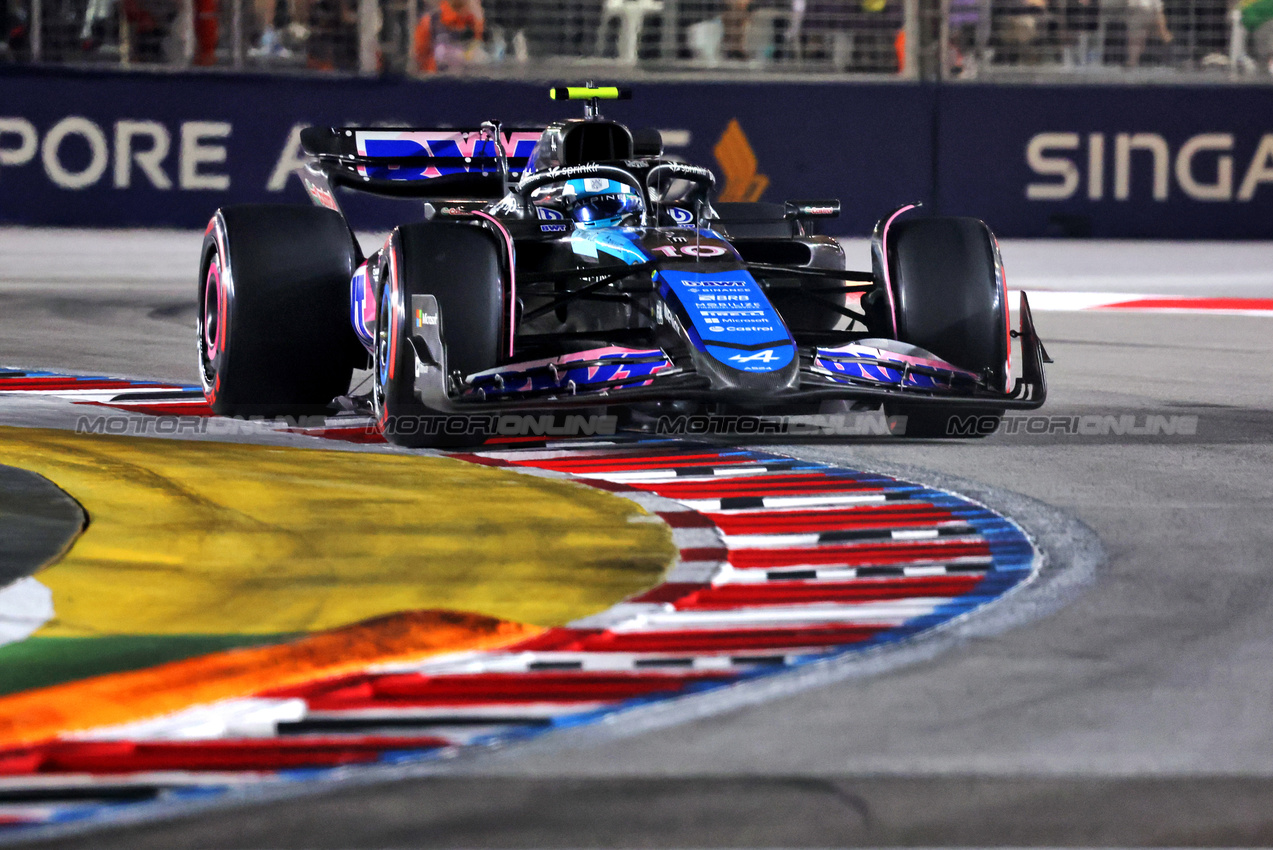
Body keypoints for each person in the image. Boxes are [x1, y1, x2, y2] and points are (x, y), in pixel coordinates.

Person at [413, 0, 485, 72]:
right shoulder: (430, 22)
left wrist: (478, 20)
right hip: (439, 80)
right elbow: (421, 62)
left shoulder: (478, 24)